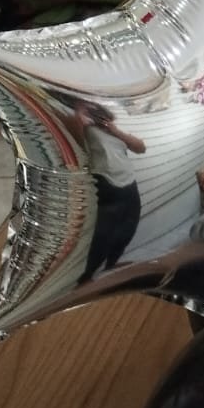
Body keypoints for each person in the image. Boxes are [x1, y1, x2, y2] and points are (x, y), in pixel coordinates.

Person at [70, 103, 148, 283]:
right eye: (92, 112)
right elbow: (76, 146)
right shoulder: (87, 130)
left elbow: (141, 148)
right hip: (107, 183)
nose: (97, 115)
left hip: (130, 182)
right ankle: (86, 278)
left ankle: (111, 265)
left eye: (98, 112)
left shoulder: (114, 130)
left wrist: (115, 131)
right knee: (103, 235)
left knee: (129, 228)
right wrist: (79, 118)